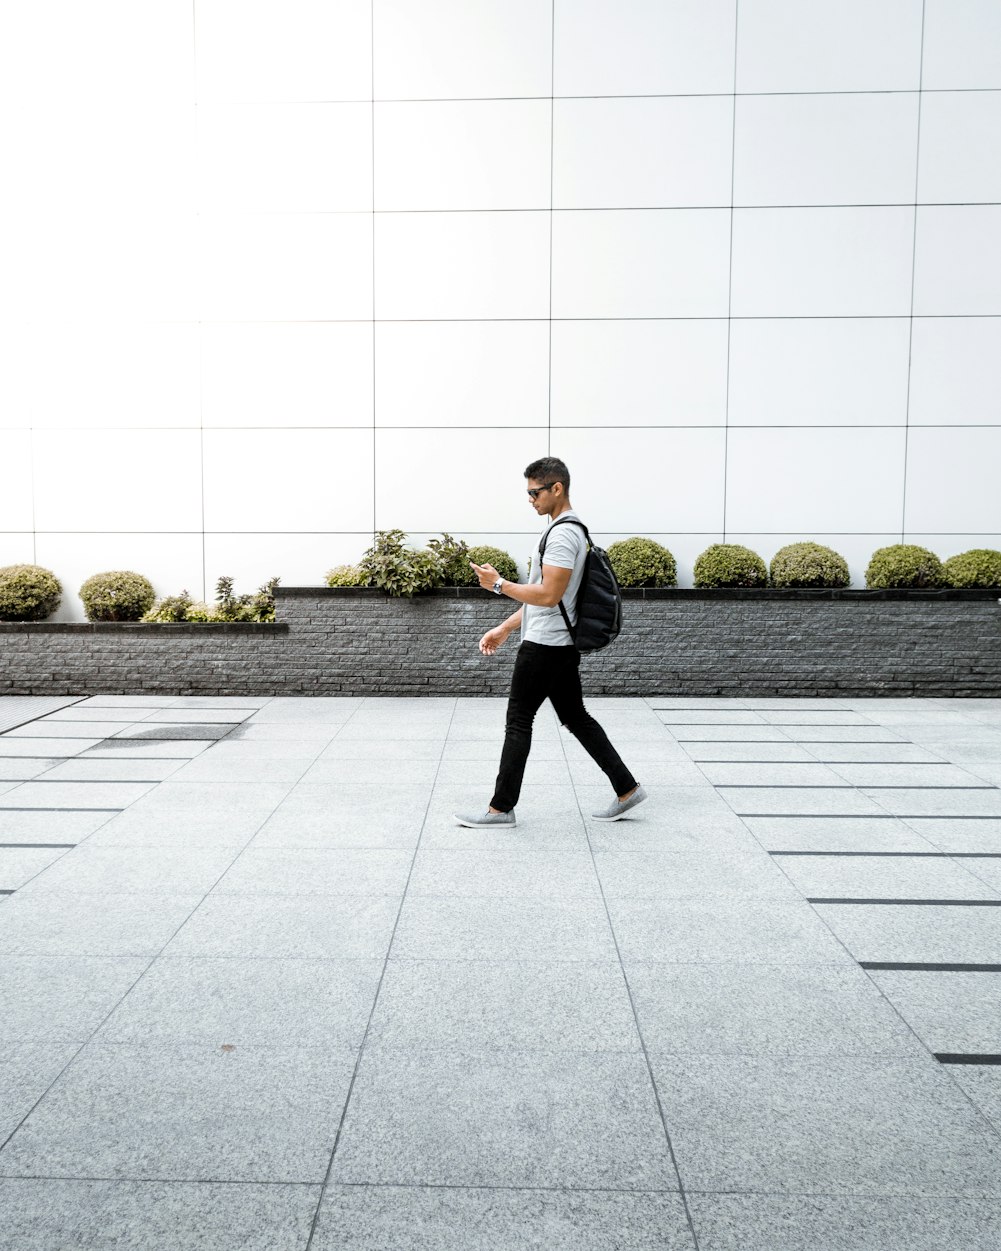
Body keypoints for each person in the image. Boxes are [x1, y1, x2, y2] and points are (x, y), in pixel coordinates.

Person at [454, 456, 647, 828]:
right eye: (528, 493)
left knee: (518, 720)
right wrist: (506, 627)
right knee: (575, 716)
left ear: (557, 488)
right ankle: (627, 788)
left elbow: (548, 594)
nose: (530, 500)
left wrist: (498, 585)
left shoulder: (562, 534)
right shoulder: (570, 530)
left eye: (535, 492)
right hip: (559, 643)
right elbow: (548, 599)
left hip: (545, 647)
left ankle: (500, 809)